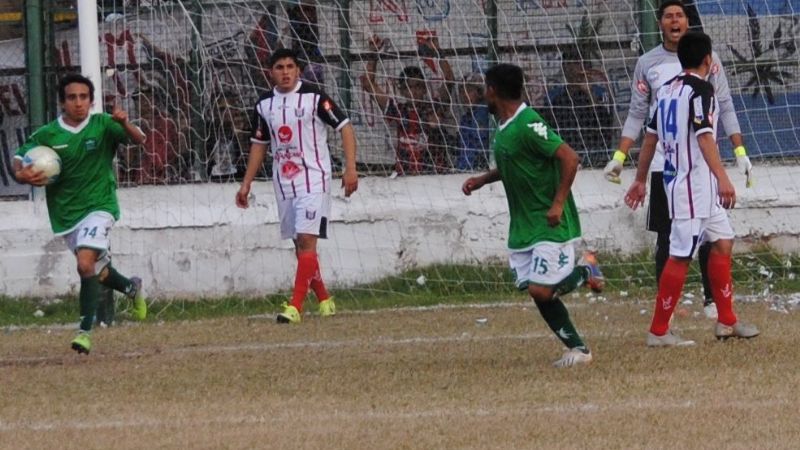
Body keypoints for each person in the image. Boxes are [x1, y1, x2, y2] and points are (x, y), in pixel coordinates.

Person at [603, 0, 753, 320]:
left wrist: (740, 151)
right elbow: (639, 115)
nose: (674, 21)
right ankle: (665, 312)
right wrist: (621, 158)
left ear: (687, 22)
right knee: (671, 239)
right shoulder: (649, 63)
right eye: (668, 16)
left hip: (701, 168)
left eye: (680, 15)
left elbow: (725, 106)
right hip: (667, 166)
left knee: (711, 236)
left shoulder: (708, 63)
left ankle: (713, 301)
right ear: (660, 24)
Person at [461, 63, 605, 368]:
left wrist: (557, 203)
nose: (482, 94)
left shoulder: (529, 123)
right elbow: (518, 163)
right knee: (536, 291)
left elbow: (570, 157)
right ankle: (578, 349)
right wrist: (482, 180)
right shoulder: (506, 127)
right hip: (525, 224)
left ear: (493, 90)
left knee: (542, 288)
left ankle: (586, 270)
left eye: (484, 88)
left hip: (549, 221)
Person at [624, 31, 760, 346]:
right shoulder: (701, 91)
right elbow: (704, 136)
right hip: (690, 186)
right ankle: (658, 331)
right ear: (708, 60)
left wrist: (641, 179)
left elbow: (650, 139)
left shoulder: (668, 91)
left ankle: (726, 321)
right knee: (681, 255)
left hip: (697, 185)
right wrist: (724, 177)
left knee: (723, 241)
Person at [13, 74, 148, 354]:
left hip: (100, 206)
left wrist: (124, 123)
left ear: (91, 100)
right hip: (66, 213)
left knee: (85, 264)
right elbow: (20, 157)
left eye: (83, 97)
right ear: (62, 102)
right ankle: (131, 288)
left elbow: (139, 140)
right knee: (97, 271)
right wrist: (21, 173)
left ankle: (85, 332)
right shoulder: (49, 134)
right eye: (72, 97)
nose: (78, 103)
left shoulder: (103, 125)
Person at [235, 48, 358, 323]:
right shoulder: (264, 104)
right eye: (279, 67)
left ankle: (295, 307)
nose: (286, 72)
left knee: (306, 240)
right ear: (271, 72)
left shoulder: (315, 97)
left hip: (314, 179)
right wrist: (246, 184)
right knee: (299, 245)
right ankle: (325, 299)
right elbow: (259, 145)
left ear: (298, 70)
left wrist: (350, 168)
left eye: (290, 66)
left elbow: (346, 127)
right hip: (284, 182)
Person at [361, 34, 456, 175]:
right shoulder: (397, 109)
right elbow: (368, 84)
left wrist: (437, 52)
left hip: (435, 175)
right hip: (405, 177)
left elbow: (449, 80)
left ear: (425, 88)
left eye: (417, 86)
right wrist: (373, 54)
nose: (413, 91)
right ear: (402, 91)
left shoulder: (435, 106)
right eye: (408, 87)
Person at [455, 73, 492, 171]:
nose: (464, 95)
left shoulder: (483, 111)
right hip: (465, 166)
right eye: (462, 91)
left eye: (469, 91)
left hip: (478, 166)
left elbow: (479, 142)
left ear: (480, 92)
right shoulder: (466, 117)